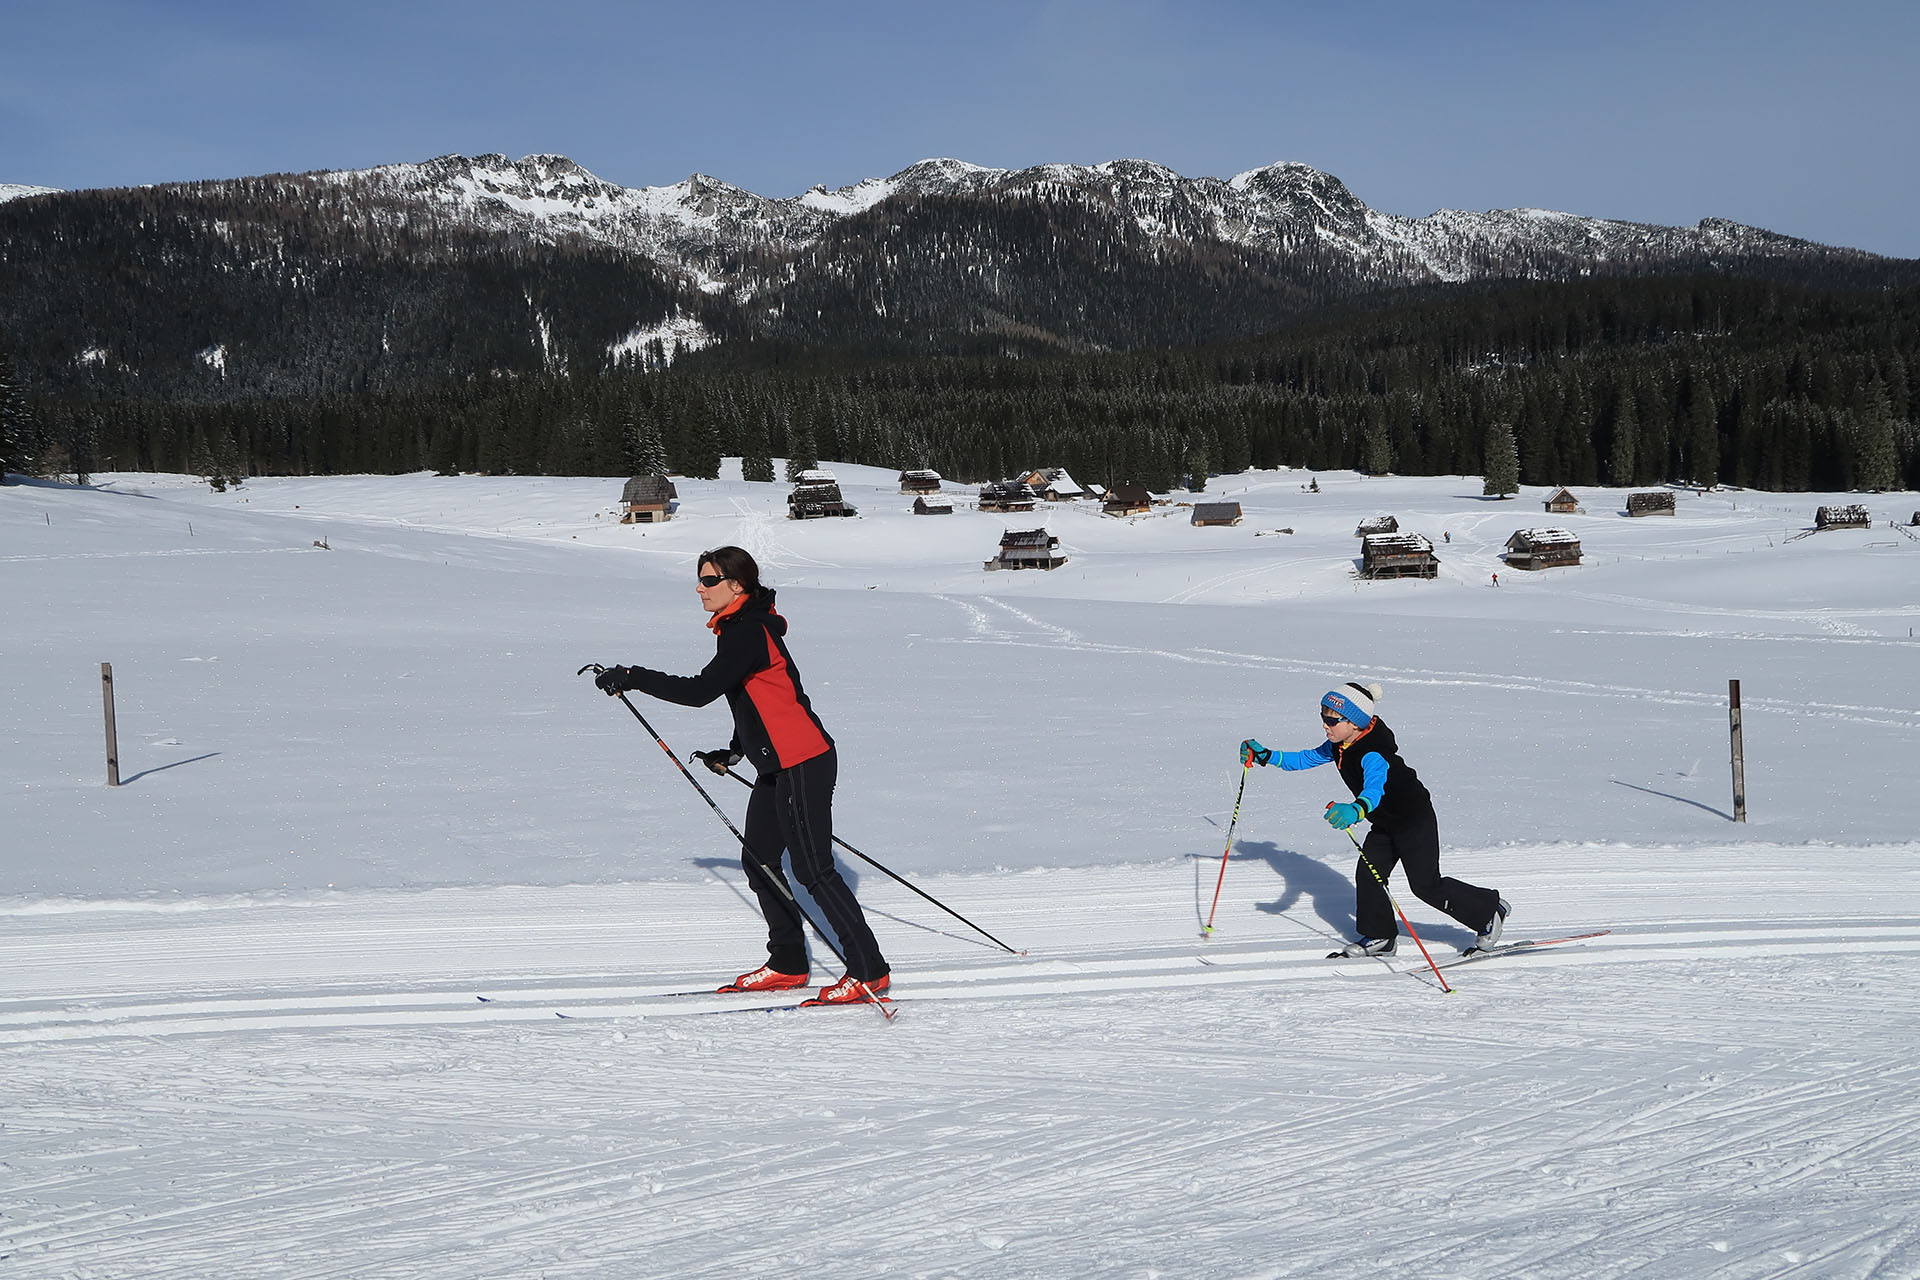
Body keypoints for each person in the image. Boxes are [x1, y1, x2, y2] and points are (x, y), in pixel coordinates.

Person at [594, 546, 891, 1005]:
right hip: (776, 761)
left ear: (737, 585)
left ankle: (869, 971)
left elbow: (700, 692)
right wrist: (734, 752)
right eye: (700, 579)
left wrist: (632, 676)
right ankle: (788, 963)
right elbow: (757, 698)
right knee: (760, 860)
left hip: (803, 759)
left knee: (814, 869)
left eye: (709, 580)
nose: (699, 588)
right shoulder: (740, 628)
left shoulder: (748, 631)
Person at [1240, 681, 1508, 957]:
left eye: (1332, 719)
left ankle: (1489, 910)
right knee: (1369, 875)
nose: (1325, 725)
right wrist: (1266, 756)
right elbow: (1305, 758)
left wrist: (1355, 810)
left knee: (1426, 885)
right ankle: (1380, 936)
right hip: (1384, 822)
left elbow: (1374, 789)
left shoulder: (1373, 753)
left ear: (1355, 723)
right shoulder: (1340, 745)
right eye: (1323, 717)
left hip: (1413, 819)